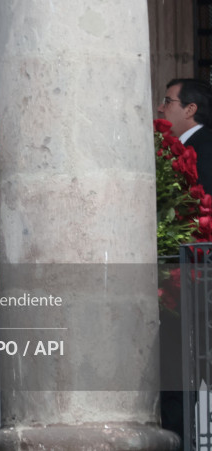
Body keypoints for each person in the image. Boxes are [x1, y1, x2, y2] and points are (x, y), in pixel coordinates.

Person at [156, 77, 212, 447]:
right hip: (184, 286)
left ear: (190, 109)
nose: (161, 108)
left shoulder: (204, 148)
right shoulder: (182, 148)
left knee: (179, 382)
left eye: (168, 101)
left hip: (195, 286)